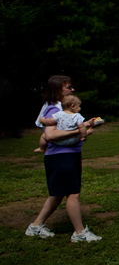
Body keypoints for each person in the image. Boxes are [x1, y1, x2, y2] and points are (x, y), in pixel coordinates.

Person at [26, 76, 102, 242]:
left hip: (66, 155)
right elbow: (50, 135)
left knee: (57, 194)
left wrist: (87, 124)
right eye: (68, 87)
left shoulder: (64, 109)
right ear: (57, 89)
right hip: (61, 156)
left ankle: (36, 226)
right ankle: (80, 233)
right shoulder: (53, 110)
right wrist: (78, 131)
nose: (72, 89)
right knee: (73, 193)